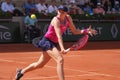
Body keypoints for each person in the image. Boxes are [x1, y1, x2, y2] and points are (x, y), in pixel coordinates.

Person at [15, 6, 97, 80]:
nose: (60, 13)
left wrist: (86, 31)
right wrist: (62, 49)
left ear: (66, 13)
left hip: (53, 43)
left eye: (62, 12)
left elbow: (75, 31)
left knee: (39, 64)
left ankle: (21, 72)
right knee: (60, 59)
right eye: (59, 11)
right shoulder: (56, 20)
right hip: (46, 41)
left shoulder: (68, 18)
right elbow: (59, 36)